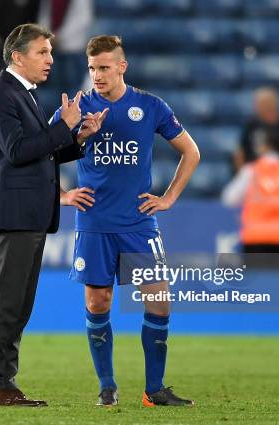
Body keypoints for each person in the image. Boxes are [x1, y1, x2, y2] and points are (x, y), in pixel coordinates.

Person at [51, 35, 199, 407]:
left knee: (159, 302)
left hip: (138, 224)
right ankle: (107, 386)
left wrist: (169, 197)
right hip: (94, 224)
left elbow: (191, 151)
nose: (97, 75)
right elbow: (41, 155)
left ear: (121, 66)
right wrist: (64, 195)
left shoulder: (149, 106)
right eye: (91, 68)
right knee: (99, 302)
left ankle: (154, 390)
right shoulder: (76, 108)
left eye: (103, 67)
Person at [0, 23, 104, 407]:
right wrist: (63, 126)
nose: (50, 60)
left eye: (49, 52)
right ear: (18, 56)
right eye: (42, 53)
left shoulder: (22, 95)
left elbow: (39, 152)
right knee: (6, 302)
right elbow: (16, 151)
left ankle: (3, 381)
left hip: (29, 213)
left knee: (19, 304)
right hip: (14, 213)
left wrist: (76, 138)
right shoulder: (1, 95)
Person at [222, 128, 279, 253]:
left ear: (267, 145)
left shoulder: (251, 171)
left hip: (256, 239)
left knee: (256, 273)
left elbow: (229, 198)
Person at [234, 87, 279, 172]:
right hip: (255, 173)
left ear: (271, 105)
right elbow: (240, 153)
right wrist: (242, 173)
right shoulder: (252, 126)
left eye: (260, 104)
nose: (256, 107)